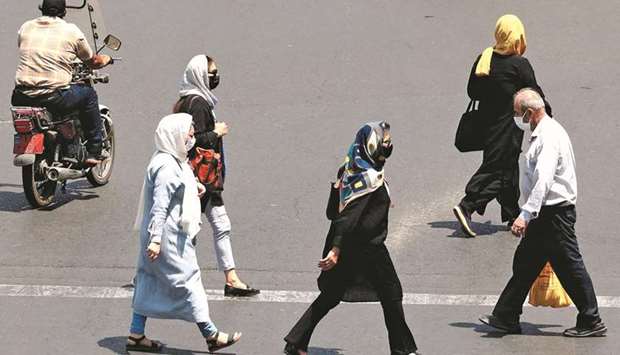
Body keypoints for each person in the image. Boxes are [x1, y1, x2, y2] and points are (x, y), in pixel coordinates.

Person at [284, 122, 420, 355]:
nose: (387, 147)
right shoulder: (367, 178)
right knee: (392, 294)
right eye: (383, 143)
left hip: (351, 246)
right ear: (371, 146)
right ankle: (402, 350)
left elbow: (333, 212)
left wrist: (381, 200)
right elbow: (348, 218)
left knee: (331, 295)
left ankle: (296, 341)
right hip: (368, 248)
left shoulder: (352, 168)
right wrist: (335, 250)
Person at [479, 89, 606, 337]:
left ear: (529, 113)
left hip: (554, 215)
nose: (516, 118)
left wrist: (525, 215)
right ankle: (506, 315)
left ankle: (591, 320)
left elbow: (544, 180)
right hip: (546, 214)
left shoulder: (548, 137)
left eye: (518, 114)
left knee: (570, 267)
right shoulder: (545, 132)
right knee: (525, 263)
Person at [128, 113, 241, 353]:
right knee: (189, 281)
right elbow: (160, 206)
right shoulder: (166, 167)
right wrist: (156, 240)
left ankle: (136, 334)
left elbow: (183, 182)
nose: (191, 137)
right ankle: (211, 334)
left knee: (148, 278)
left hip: (161, 235)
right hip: (168, 238)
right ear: (175, 136)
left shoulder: (170, 159)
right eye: (189, 133)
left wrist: (194, 187)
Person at [453, 14, 552, 237]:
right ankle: (467, 205)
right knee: (498, 172)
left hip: (486, 125)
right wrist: (548, 116)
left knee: (508, 169)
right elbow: (533, 92)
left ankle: (512, 214)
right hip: (507, 128)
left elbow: (472, 91)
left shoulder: (484, 58)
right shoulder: (519, 64)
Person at [173, 54, 260, 297]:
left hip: (205, 178)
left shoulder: (187, 100)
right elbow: (195, 140)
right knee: (187, 229)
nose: (215, 77)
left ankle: (231, 279)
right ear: (201, 76)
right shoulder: (197, 104)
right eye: (212, 73)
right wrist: (216, 132)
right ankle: (156, 274)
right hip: (200, 179)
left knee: (218, 225)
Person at [11, 0, 112, 165]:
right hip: (53, 97)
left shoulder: (26, 27)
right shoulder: (71, 30)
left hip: (20, 95)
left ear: (41, 9)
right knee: (88, 94)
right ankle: (94, 150)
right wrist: (106, 59)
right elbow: (93, 61)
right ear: (64, 12)